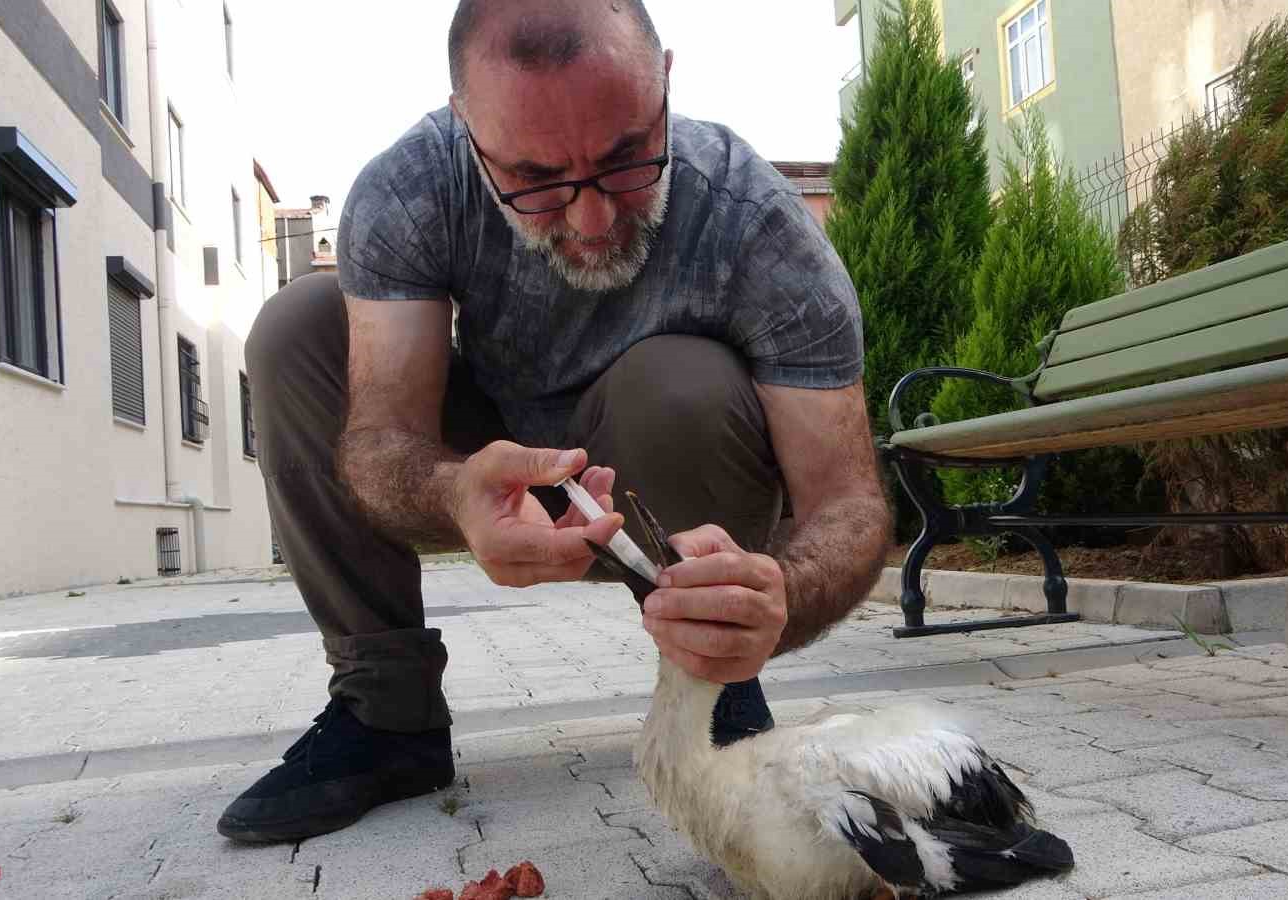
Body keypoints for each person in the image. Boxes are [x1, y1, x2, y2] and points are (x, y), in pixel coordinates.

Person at [217, 0, 890, 843]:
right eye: (535, 180)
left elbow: (851, 505)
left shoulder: (756, 224)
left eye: (628, 159)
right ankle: (387, 714)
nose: (592, 219)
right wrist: (457, 488)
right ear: (466, 125)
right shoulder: (411, 188)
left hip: (666, 478)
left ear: (665, 86)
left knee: (682, 379)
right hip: (489, 459)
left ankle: (715, 678)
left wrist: (777, 599)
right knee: (296, 327)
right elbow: (382, 433)